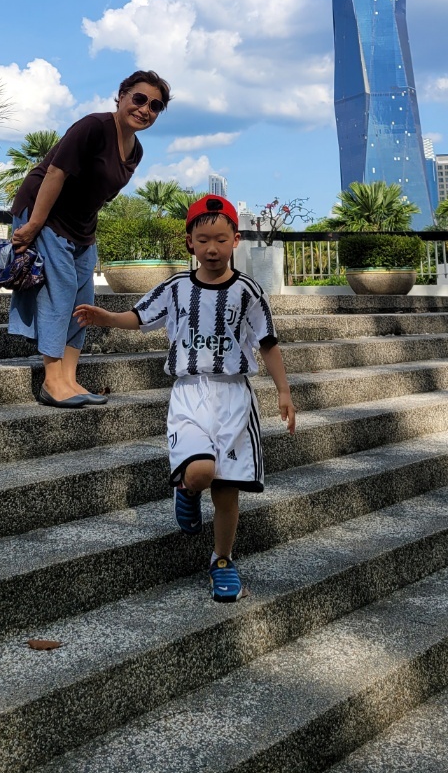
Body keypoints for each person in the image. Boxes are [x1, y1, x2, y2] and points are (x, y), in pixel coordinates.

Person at [76, 193, 296, 603]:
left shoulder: (248, 291)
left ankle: (222, 560)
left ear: (235, 241)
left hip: (234, 397)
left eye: (221, 239)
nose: (212, 248)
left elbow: (267, 341)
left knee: (227, 491)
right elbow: (139, 317)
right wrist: (106, 317)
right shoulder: (176, 288)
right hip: (190, 394)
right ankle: (187, 490)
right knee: (200, 473)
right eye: (203, 239)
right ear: (190, 243)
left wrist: (283, 391)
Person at [9, 70, 170, 408]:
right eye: (139, 99)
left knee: (84, 298)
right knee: (61, 291)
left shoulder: (136, 151)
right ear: (122, 96)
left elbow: (96, 194)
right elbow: (55, 172)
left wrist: (86, 235)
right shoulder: (94, 127)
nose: (145, 109)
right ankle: (52, 381)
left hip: (81, 226)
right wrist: (34, 224)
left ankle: (69, 379)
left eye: (155, 106)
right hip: (45, 213)